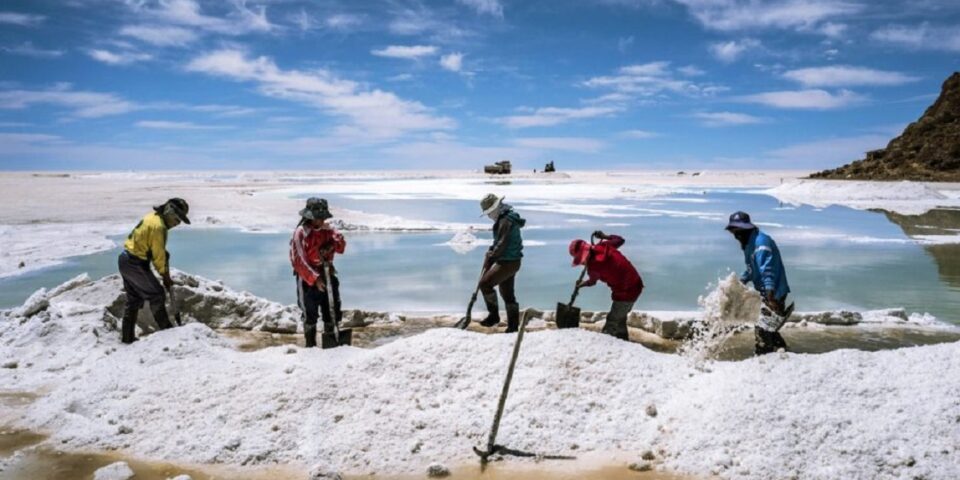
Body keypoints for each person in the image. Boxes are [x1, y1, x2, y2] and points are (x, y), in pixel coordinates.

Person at [118, 198, 191, 344]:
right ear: (169, 211)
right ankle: (168, 333)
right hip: (135, 263)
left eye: (180, 221)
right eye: (177, 218)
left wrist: (162, 254)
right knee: (157, 294)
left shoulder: (152, 217)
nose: (177, 223)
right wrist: (165, 276)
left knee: (134, 300)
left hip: (125, 259)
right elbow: (158, 256)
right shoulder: (159, 227)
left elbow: (152, 246)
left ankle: (127, 339)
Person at [725, 211, 793, 355]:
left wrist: (770, 296)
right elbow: (752, 269)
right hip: (766, 293)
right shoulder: (749, 243)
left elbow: (767, 269)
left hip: (774, 293)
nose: (736, 236)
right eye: (733, 232)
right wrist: (740, 282)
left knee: (762, 331)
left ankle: (763, 358)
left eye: (738, 232)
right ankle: (784, 352)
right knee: (770, 328)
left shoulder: (761, 242)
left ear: (746, 229)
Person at [290, 198, 346, 348]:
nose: (321, 221)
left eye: (323, 218)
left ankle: (332, 344)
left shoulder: (328, 230)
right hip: (307, 279)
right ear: (309, 216)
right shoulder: (301, 233)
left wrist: (335, 236)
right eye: (318, 218)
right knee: (310, 314)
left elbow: (341, 248)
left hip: (328, 272)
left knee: (332, 310)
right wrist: (315, 279)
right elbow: (298, 260)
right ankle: (311, 346)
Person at [569, 231, 644, 340]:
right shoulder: (604, 245)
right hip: (635, 284)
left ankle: (606, 344)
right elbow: (620, 240)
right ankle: (623, 340)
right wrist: (605, 236)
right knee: (620, 318)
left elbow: (592, 282)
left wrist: (582, 284)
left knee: (612, 320)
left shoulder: (593, 267)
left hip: (626, 291)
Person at [478, 194, 526, 333]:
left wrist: (492, 255)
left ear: (496, 208)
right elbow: (498, 242)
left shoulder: (505, 221)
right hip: (512, 260)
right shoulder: (505, 219)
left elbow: (502, 244)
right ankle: (513, 327)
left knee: (485, 284)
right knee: (507, 294)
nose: (489, 216)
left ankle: (494, 316)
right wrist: (491, 250)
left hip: (507, 262)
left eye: (489, 212)